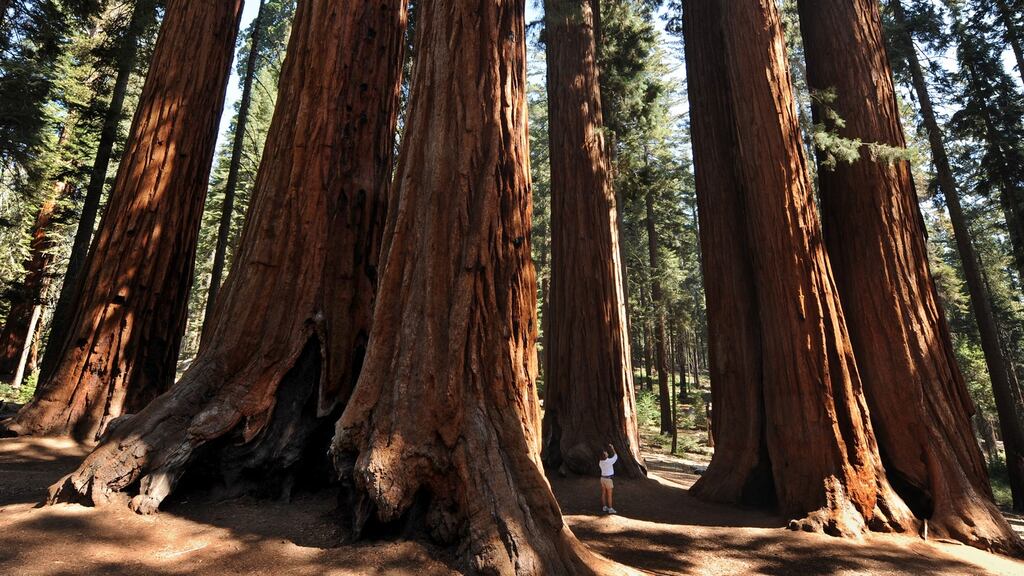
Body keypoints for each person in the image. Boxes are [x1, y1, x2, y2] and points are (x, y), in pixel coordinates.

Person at [598, 443, 618, 514]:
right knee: (609, 494)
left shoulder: (600, 462)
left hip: (602, 479)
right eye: (605, 453)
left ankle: (604, 507)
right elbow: (616, 456)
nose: (607, 453)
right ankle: (610, 508)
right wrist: (613, 448)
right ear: (605, 455)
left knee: (603, 493)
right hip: (608, 480)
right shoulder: (609, 461)